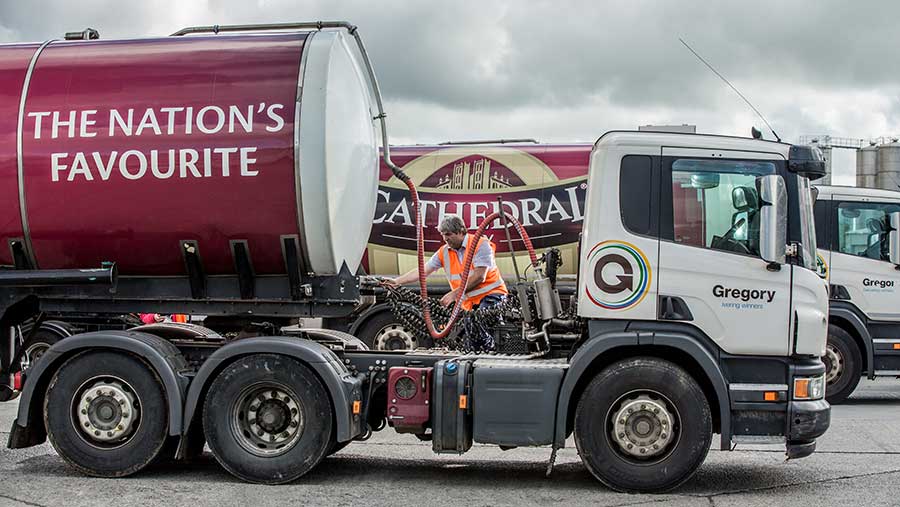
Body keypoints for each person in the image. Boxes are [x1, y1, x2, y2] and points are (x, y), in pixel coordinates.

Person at [386, 214, 508, 349]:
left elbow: (480, 276)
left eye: (448, 234)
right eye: (443, 235)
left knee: (482, 323)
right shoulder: (443, 252)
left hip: (493, 295)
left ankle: (493, 350)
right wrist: (397, 281)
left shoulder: (480, 244)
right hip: (470, 303)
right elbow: (422, 271)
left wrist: (453, 294)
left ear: (461, 231)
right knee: (472, 335)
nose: (445, 239)